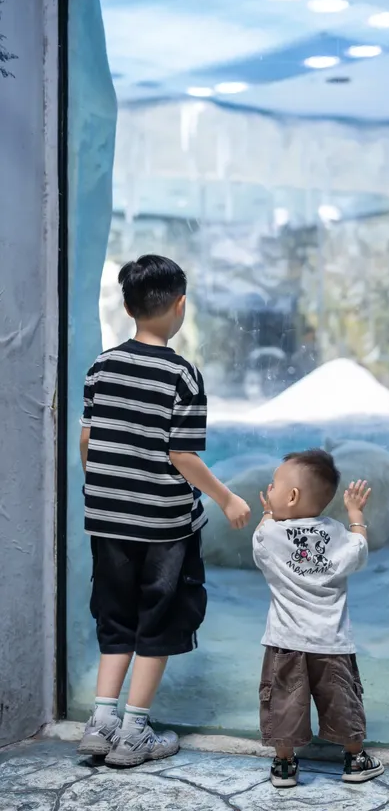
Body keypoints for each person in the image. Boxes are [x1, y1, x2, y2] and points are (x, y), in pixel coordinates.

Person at [77, 254, 250, 767]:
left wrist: (110, 489)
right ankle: (134, 731)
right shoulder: (183, 375)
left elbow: (87, 441)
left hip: (106, 519)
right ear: (180, 307)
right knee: (159, 617)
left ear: (128, 307)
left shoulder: (100, 366)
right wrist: (227, 497)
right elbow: (181, 454)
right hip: (164, 526)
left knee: (114, 613)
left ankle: (100, 720)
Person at [252, 449, 384, 788]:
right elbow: (359, 551)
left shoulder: (270, 535)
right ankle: (355, 760)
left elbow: (260, 545)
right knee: (342, 700)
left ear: (291, 496)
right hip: (332, 642)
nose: (269, 488)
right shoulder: (338, 532)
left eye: (274, 485)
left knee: (283, 701)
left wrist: (268, 514)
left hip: (286, 641)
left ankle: (284, 765)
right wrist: (356, 515)